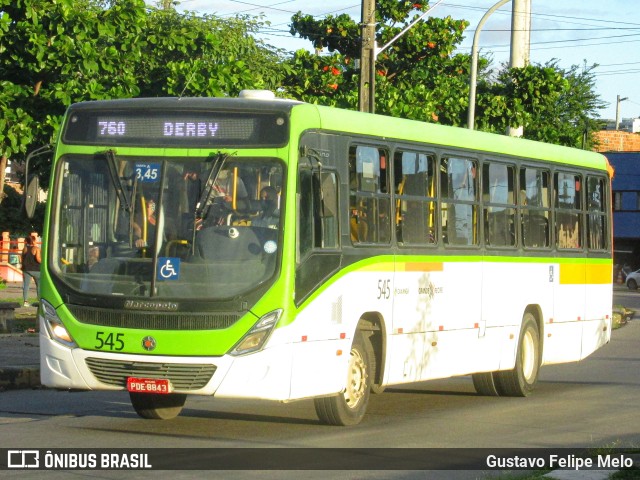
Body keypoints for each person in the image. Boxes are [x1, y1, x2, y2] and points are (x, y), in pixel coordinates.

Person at [21, 235, 41, 307]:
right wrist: (44, 262)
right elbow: (38, 259)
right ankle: (39, 300)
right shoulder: (36, 248)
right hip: (36, 269)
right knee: (39, 285)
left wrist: (22, 266)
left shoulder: (24, 248)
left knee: (26, 285)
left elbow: (22, 258)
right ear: (34, 241)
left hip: (26, 269)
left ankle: (25, 301)